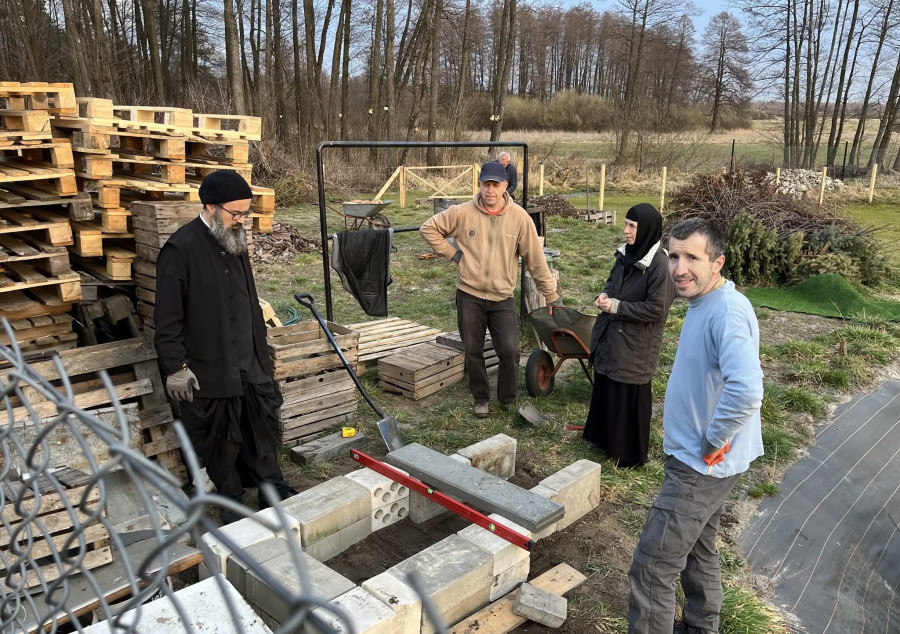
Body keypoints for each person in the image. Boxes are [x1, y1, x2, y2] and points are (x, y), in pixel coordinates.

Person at [628, 218, 764, 634]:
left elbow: (746, 388)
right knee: (698, 551)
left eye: (692, 258)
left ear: (717, 262)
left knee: (652, 566)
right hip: (703, 462)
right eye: (673, 256)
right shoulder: (708, 302)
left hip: (699, 466)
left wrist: (714, 438)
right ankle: (701, 626)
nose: (679, 268)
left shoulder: (726, 312)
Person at [154, 170, 296, 524]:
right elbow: (167, 319)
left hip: (248, 359)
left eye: (246, 212)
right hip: (210, 366)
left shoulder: (233, 237)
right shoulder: (180, 250)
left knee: (259, 428)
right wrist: (175, 368)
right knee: (221, 440)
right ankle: (231, 501)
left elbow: (247, 299)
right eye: (236, 213)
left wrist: (260, 351)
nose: (242, 219)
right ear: (211, 206)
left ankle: (272, 489)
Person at [420, 161, 560, 418]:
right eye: (486, 184)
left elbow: (536, 261)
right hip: (469, 294)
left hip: (501, 297)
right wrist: (453, 254)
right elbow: (428, 228)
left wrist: (551, 295)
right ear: (480, 184)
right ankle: (481, 398)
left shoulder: (519, 218)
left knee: (509, 349)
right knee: (472, 350)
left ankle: (507, 398)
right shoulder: (462, 212)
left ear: (505, 185)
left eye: (496, 185)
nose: (490, 190)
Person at [584, 203, 675, 468]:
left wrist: (616, 307)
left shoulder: (660, 265)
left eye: (632, 226)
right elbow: (612, 283)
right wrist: (604, 295)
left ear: (646, 229)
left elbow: (656, 310)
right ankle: (604, 440)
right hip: (613, 337)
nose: (626, 231)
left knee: (627, 392)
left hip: (636, 345)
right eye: (626, 224)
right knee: (608, 385)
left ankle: (628, 454)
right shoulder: (625, 254)